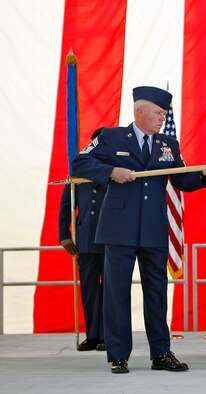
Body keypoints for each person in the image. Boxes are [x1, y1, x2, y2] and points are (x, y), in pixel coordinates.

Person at [72, 86, 206, 374]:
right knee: (116, 294)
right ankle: (118, 355)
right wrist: (110, 172)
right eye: (158, 112)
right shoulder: (111, 136)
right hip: (118, 229)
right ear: (140, 111)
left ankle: (161, 353)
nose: (162, 118)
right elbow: (80, 162)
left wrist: (202, 174)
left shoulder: (168, 144)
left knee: (157, 293)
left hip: (153, 229)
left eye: (165, 113)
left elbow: (181, 179)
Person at [59, 127, 107, 352]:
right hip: (86, 239)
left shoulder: (119, 170)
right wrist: (64, 235)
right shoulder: (78, 172)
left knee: (111, 289)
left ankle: (108, 335)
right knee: (89, 289)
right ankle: (93, 335)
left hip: (111, 239)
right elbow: (66, 206)